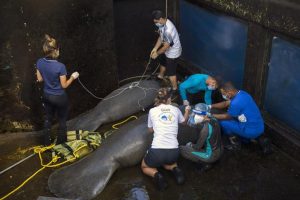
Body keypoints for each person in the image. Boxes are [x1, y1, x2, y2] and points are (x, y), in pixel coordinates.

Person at [141, 87, 190, 190]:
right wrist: (187, 111)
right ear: (169, 99)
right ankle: (176, 170)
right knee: (168, 163)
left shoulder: (152, 111)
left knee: (144, 166)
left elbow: (150, 130)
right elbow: (184, 122)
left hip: (157, 151)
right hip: (174, 152)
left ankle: (156, 175)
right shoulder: (176, 109)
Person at [36, 34, 79, 146]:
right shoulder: (60, 66)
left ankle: (46, 143)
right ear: (56, 50)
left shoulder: (39, 62)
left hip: (47, 95)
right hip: (59, 97)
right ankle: (61, 145)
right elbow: (64, 85)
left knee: (48, 119)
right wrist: (73, 77)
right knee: (62, 120)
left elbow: (40, 79)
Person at [210, 82, 270, 152]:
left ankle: (235, 144)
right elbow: (226, 103)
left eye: (224, 94)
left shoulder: (236, 103)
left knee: (223, 122)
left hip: (251, 131)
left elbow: (227, 116)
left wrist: (210, 115)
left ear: (229, 92)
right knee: (236, 119)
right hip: (260, 126)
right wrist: (210, 106)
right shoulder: (243, 94)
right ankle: (247, 139)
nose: (223, 95)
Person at [180, 103, 223, 172]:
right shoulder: (214, 120)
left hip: (211, 155)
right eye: (196, 114)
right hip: (219, 149)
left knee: (182, 149)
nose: (196, 116)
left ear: (206, 115)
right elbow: (195, 123)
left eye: (199, 114)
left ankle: (207, 163)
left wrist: (191, 145)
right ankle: (212, 159)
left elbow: (197, 147)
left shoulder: (205, 130)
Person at [150, 10, 182, 95]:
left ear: (161, 19)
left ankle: (175, 89)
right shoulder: (162, 24)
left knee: (171, 72)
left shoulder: (169, 30)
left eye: (156, 22)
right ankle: (160, 76)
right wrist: (155, 48)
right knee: (163, 62)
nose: (156, 24)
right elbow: (160, 38)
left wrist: (157, 53)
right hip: (167, 50)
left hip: (173, 53)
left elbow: (165, 47)